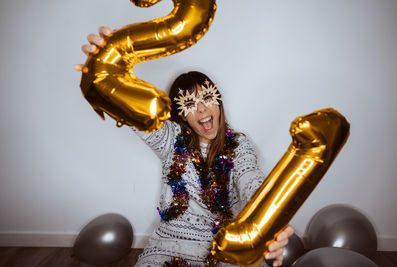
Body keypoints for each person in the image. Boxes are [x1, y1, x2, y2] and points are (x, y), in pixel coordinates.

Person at [75, 27, 294, 267]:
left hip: (223, 246)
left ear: (218, 102)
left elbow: (250, 179)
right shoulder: (170, 138)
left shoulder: (239, 145)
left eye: (207, 99)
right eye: (190, 103)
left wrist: (269, 215)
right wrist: (106, 68)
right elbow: (132, 110)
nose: (201, 110)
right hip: (168, 245)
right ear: (182, 115)